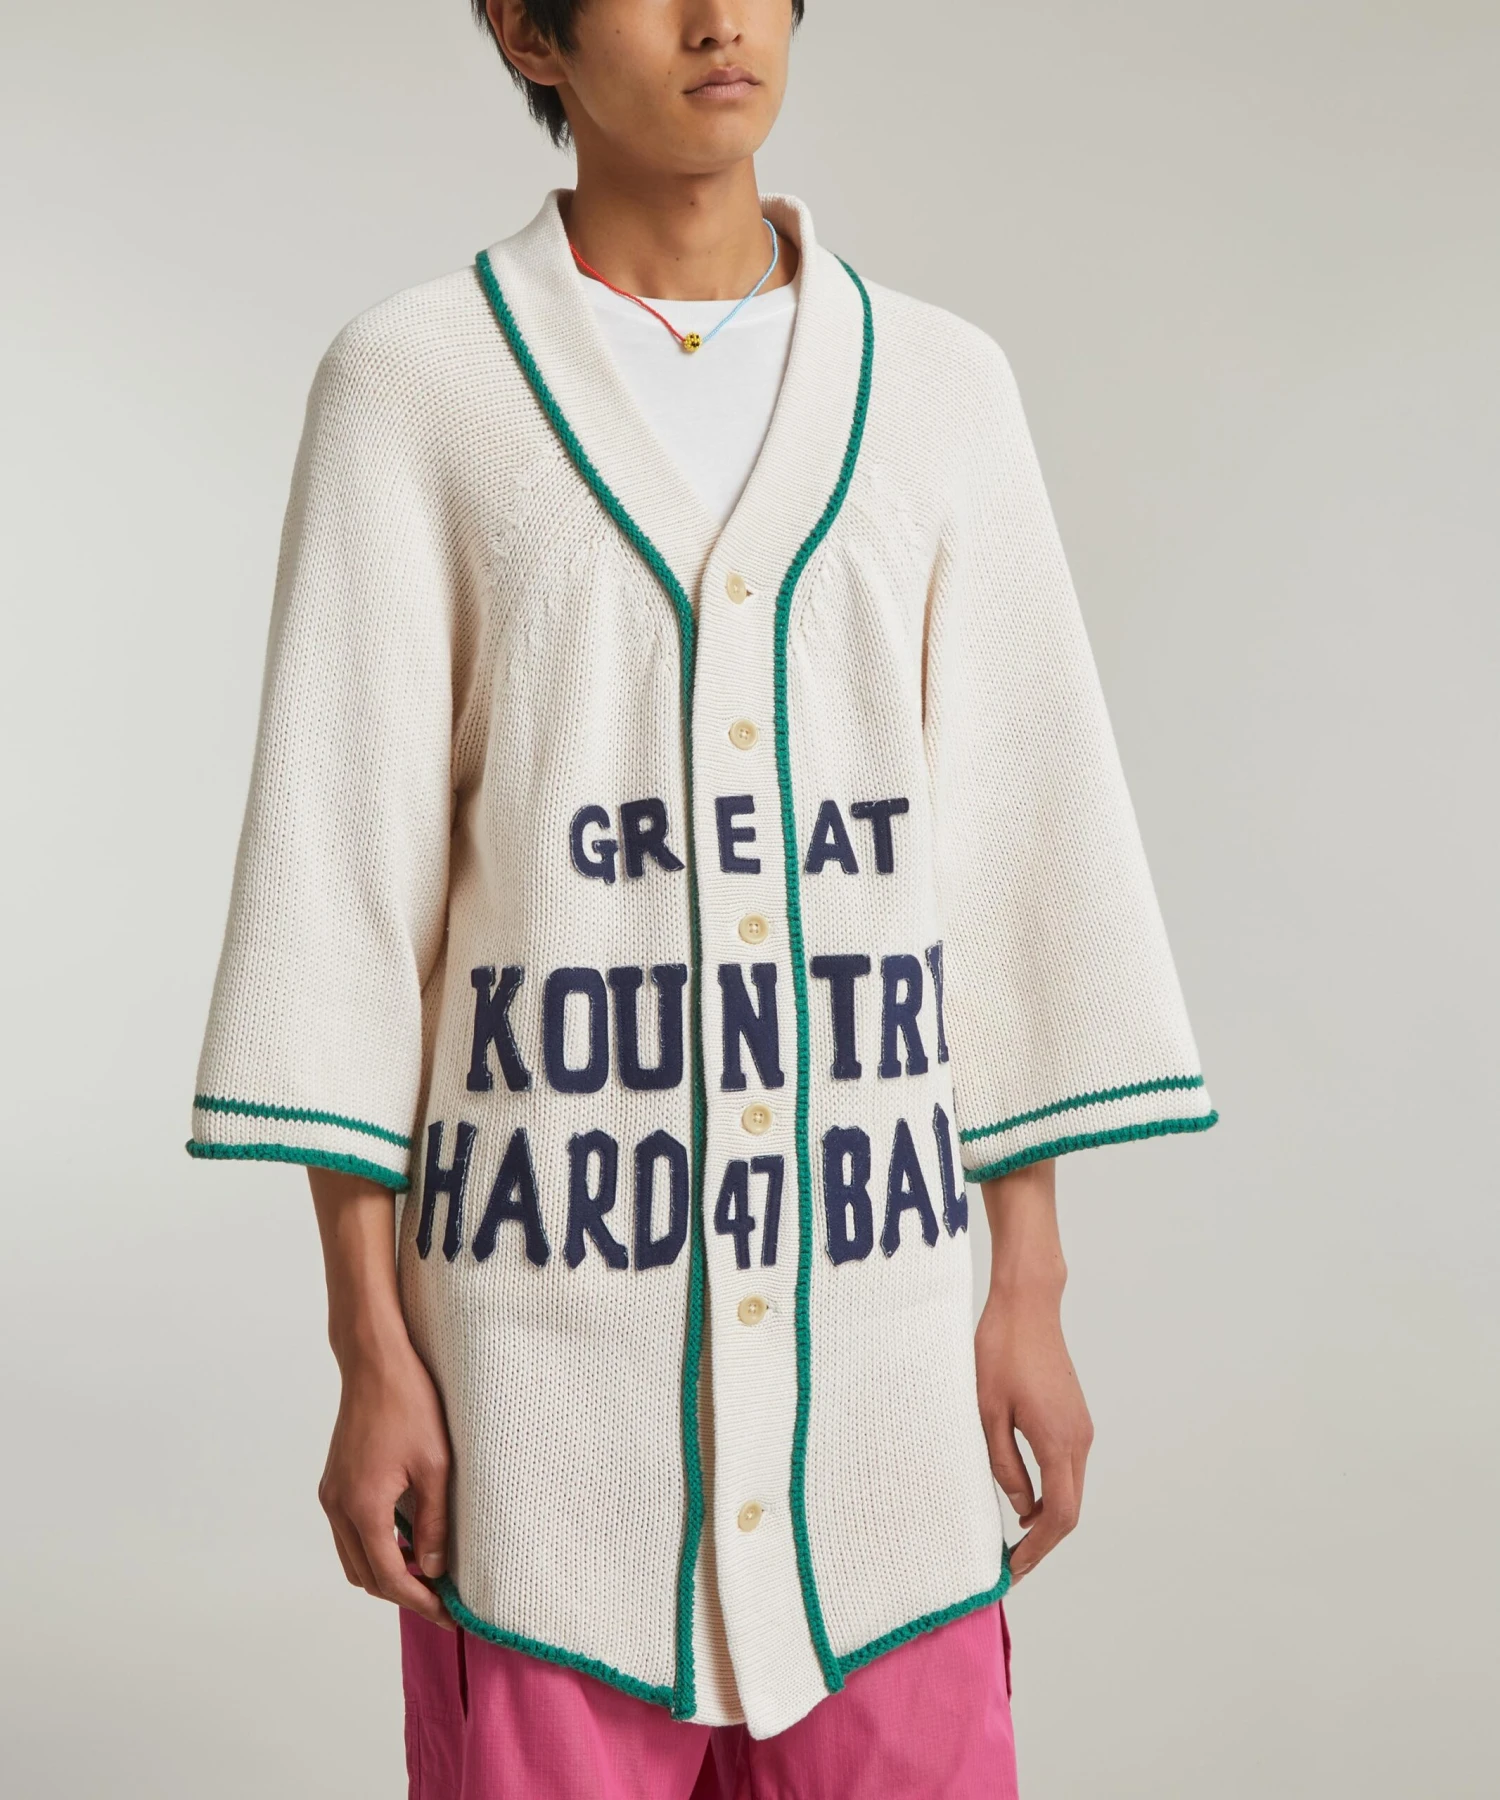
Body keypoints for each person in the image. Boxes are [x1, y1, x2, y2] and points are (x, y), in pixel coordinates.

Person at [188, 1, 1217, 1793]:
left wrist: (1028, 1292)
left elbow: (1016, 850)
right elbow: (341, 890)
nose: (720, 19)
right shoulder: (419, 383)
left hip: (880, 1377)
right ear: (528, 31)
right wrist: (369, 1350)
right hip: (539, 1400)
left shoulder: (940, 388)